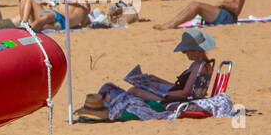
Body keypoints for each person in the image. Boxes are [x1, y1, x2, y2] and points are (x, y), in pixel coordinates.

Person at [80, 30, 217, 122]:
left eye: (185, 51)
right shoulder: (204, 65)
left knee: (129, 91)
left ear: (195, 49)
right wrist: (158, 81)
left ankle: (99, 111)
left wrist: (160, 93)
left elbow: (186, 93)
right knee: (110, 87)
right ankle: (100, 108)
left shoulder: (198, 67)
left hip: (170, 100)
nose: (185, 54)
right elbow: (183, 88)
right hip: (172, 96)